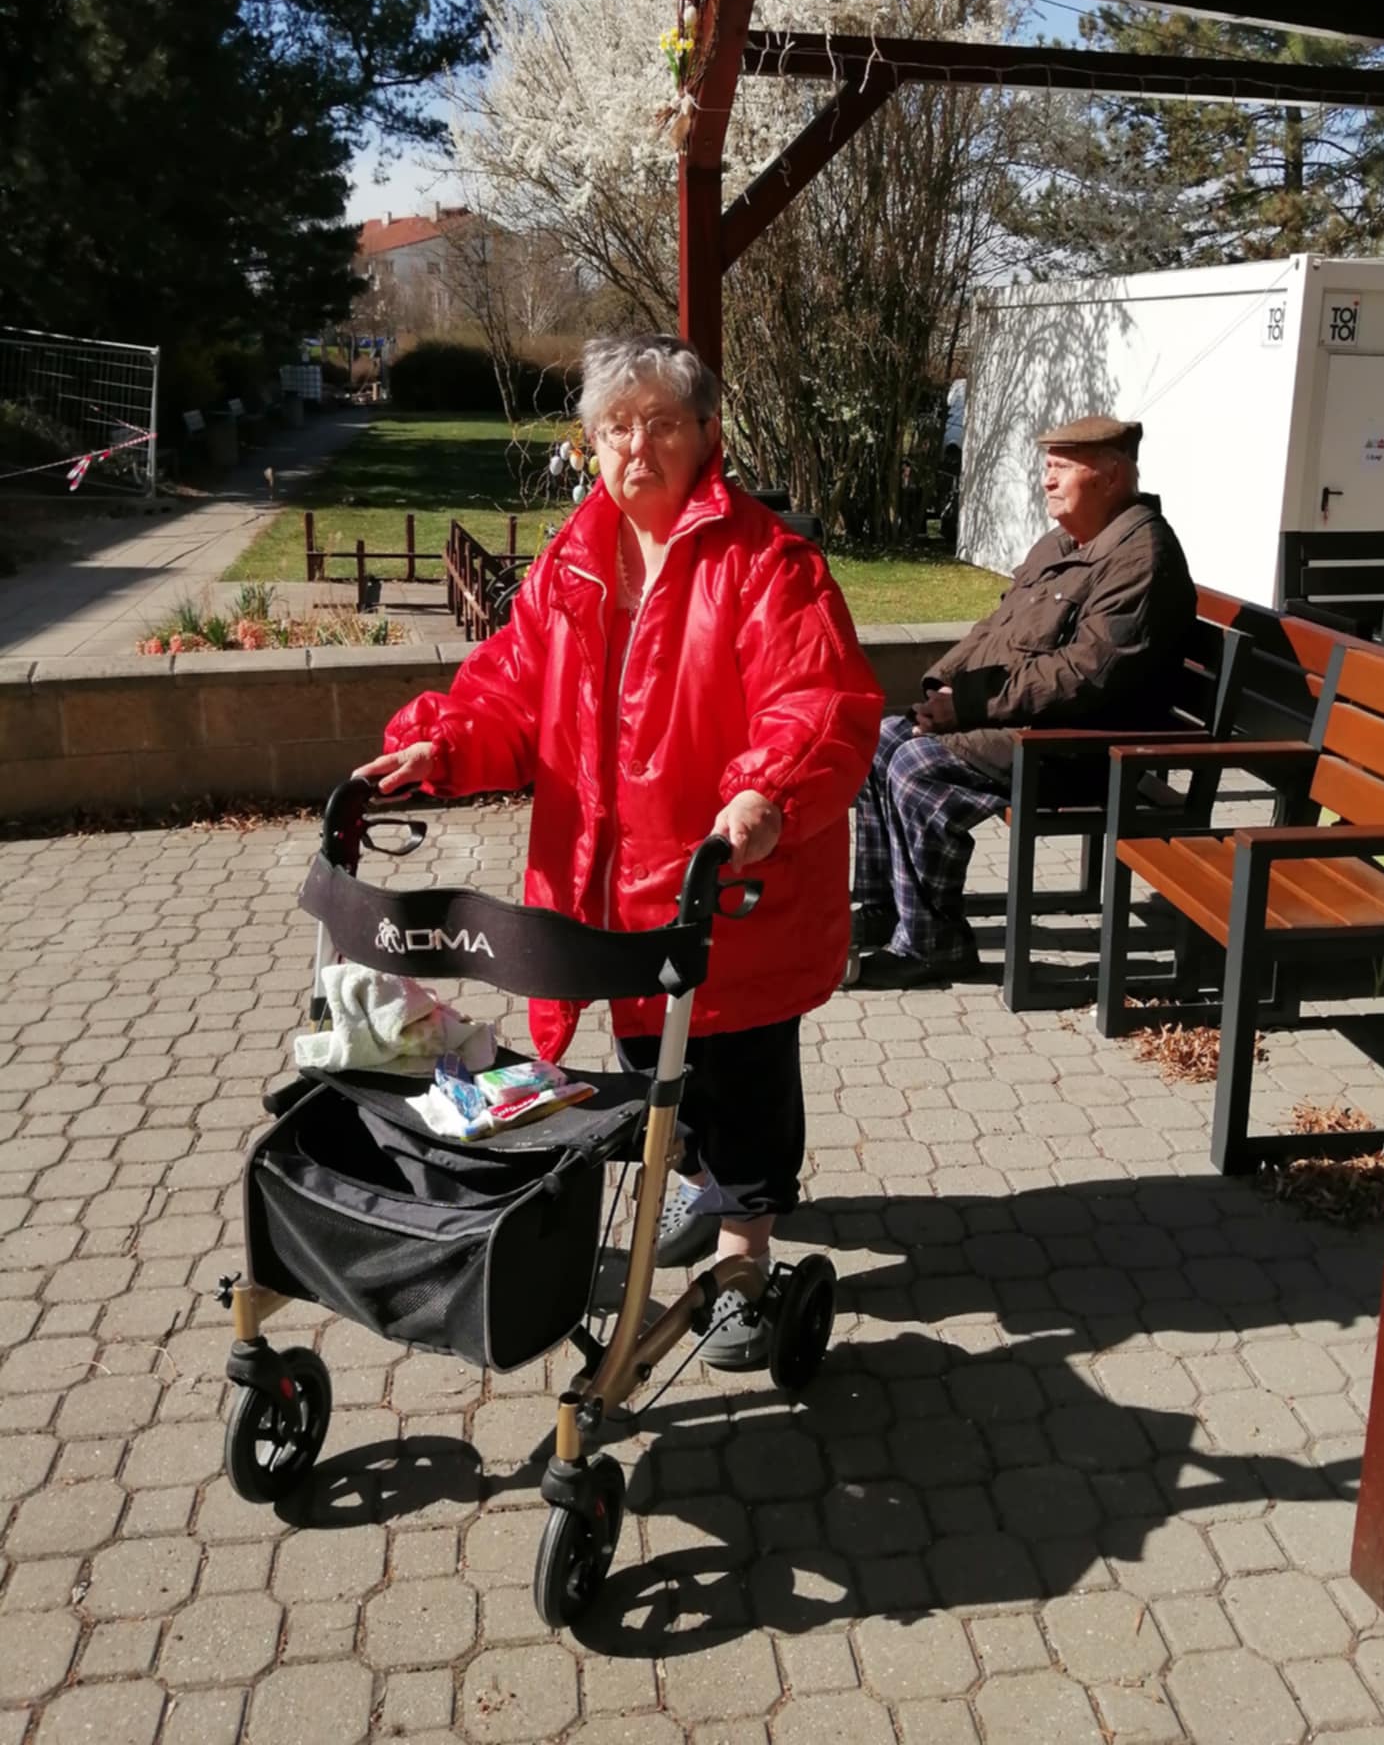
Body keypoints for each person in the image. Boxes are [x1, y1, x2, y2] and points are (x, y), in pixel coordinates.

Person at [356, 335, 883, 1368]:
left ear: (707, 437)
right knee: (652, 1065)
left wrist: (766, 792)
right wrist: (443, 742)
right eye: (615, 427)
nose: (636, 446)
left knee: (743, 1073)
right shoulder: (572, 561)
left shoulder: (767, 563)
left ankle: (745, 1254)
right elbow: (511, 692)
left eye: (662, 424)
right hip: (607, 888)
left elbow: (817, 700)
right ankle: (700, 1179)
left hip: (733, 883)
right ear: (590, 443)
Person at [847, 414, 1196, 989]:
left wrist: (968, 706)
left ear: (1111, 476)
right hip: (1030, 723)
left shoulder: (1140, 559)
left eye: (1061, 468)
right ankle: (887, 907)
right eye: (1047, 466)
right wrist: (941, 687)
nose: (1046, 480)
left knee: (916, 766)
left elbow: (1083, 675)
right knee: (879, 740)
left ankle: (934, 945)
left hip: (1086, 749)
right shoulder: (1063, 543)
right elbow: (997, 627)